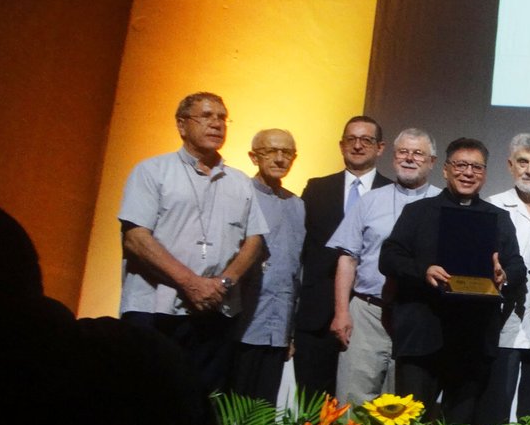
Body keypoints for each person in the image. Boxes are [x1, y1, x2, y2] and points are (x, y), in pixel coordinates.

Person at [117, 92, 268, 393]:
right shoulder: (152, 171)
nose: (216, 124)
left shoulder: (240, 182)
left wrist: (224, 282)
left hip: (216, 309)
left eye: (222, 118)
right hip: (155, 308)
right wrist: (190, 282)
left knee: (202, 400)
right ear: (182, 125)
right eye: (206, 116)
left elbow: (254, 240)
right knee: (143, 395)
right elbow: (135, 238)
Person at [380, 138, 523, 425]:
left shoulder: (498, 217)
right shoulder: (418, 212)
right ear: (445, 170)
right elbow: (389, 257)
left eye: (477, 167)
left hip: (472, 342)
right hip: (422, 339)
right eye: (461, 165)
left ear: (485, 173)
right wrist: (424, 271)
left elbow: (517, 265)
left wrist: (504, 275)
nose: (468, 173)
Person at [327, 129, 437, 407]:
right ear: (393, 156)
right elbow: (347, 258)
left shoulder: (442, 204)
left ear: (432, 162)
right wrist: (341, 312)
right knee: (353, 402)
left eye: (418, 153)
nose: (409, 158)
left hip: (418, 317)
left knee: (405, 407)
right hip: (368, 313)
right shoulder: (370, 200)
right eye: (403, 152)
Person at [293, 116, 390, 398]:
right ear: (341, 145)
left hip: (371, 316)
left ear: (380, 147)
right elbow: (301, 251)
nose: (358, 146)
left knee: (363, 404)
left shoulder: (392, 193)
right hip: (317, 316)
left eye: (366, 140)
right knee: (313, 407)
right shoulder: (316, 189)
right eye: (351, 139)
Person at [231, 128, 306, 404]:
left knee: (263, 411)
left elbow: (297, 271)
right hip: (241, 323)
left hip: (279, 327)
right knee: (230, 406)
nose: (279, 158)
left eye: (287, 152)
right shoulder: (239, 194)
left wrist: (291, 332)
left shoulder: (297, 205)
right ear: (254, 157)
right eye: (271, 151)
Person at [487, 131, 530, 419]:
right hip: (502, 321)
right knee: (495, 408)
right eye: (522, 161)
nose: (529, 169)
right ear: (510, 165)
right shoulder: (492, 205)